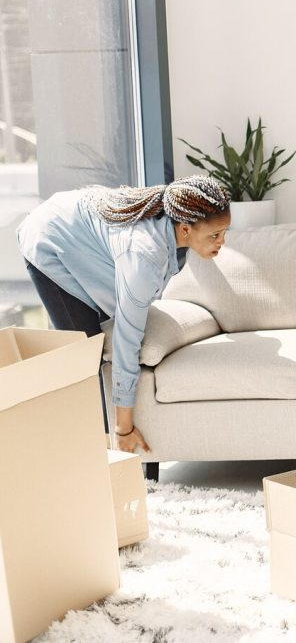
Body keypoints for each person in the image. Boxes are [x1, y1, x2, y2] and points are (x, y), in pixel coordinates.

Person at [17, 175, 231, 452]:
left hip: (76, 227)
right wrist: (124, 428)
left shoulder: (175, 222)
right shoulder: (142, 257)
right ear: (186, 229)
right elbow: (126, 343)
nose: (222, 241)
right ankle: (84, 453)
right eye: (215, 235)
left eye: (225, 232)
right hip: (49, 237)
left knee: (97, 336)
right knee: (84, 358)